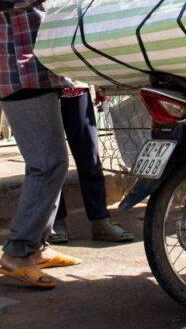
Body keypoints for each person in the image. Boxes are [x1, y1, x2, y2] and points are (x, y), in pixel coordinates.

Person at [0, 0, 149, 288]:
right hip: (22, 72)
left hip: (54, 72)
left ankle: (36, 246)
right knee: (50, 164)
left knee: (54, 163)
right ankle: (17, 252)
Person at [48, 87, 134, 245]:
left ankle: (100, 221)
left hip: (75, 87)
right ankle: (55, 220)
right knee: (51, 160)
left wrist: (99, 84)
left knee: (90, 157)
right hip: (41, 87)